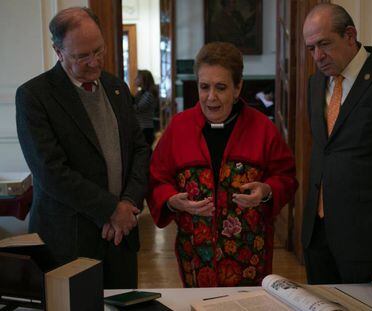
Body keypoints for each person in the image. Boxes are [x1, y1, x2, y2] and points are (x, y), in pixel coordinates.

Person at [15, 7, 149, 288]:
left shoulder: (116, 87)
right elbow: (51, 172)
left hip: (121, 236)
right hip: (69, 243)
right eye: (82, 56)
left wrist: (128, 204)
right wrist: (111, 209)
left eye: (98, 51)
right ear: (58, 51)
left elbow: (139, 149)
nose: (94, 62)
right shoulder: (34, 96)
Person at [148, 42, 297, 287]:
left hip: (249, 257)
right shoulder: (178, 127)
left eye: (221, 87)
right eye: (204, 87)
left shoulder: (263, 129)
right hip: (196, 258)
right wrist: (172, 199)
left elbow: (287, 177)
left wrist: (266, 191)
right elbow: (157, 180)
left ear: (238, 88)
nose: (211, 97)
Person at [302, 3, 372, 284]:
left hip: (370, 239)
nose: (317, 56)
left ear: (350, 35)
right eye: (311, 48)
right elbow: (324, 150)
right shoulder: (315, 84)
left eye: (324, 44)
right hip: (318, 235)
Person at [134, 69, 157, 147]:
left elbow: (137, 109)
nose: (135, 79)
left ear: (144, 80)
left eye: (138, 78)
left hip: (145, 129)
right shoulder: (141, 93)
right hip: (142, 128)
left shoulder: (148, 95)